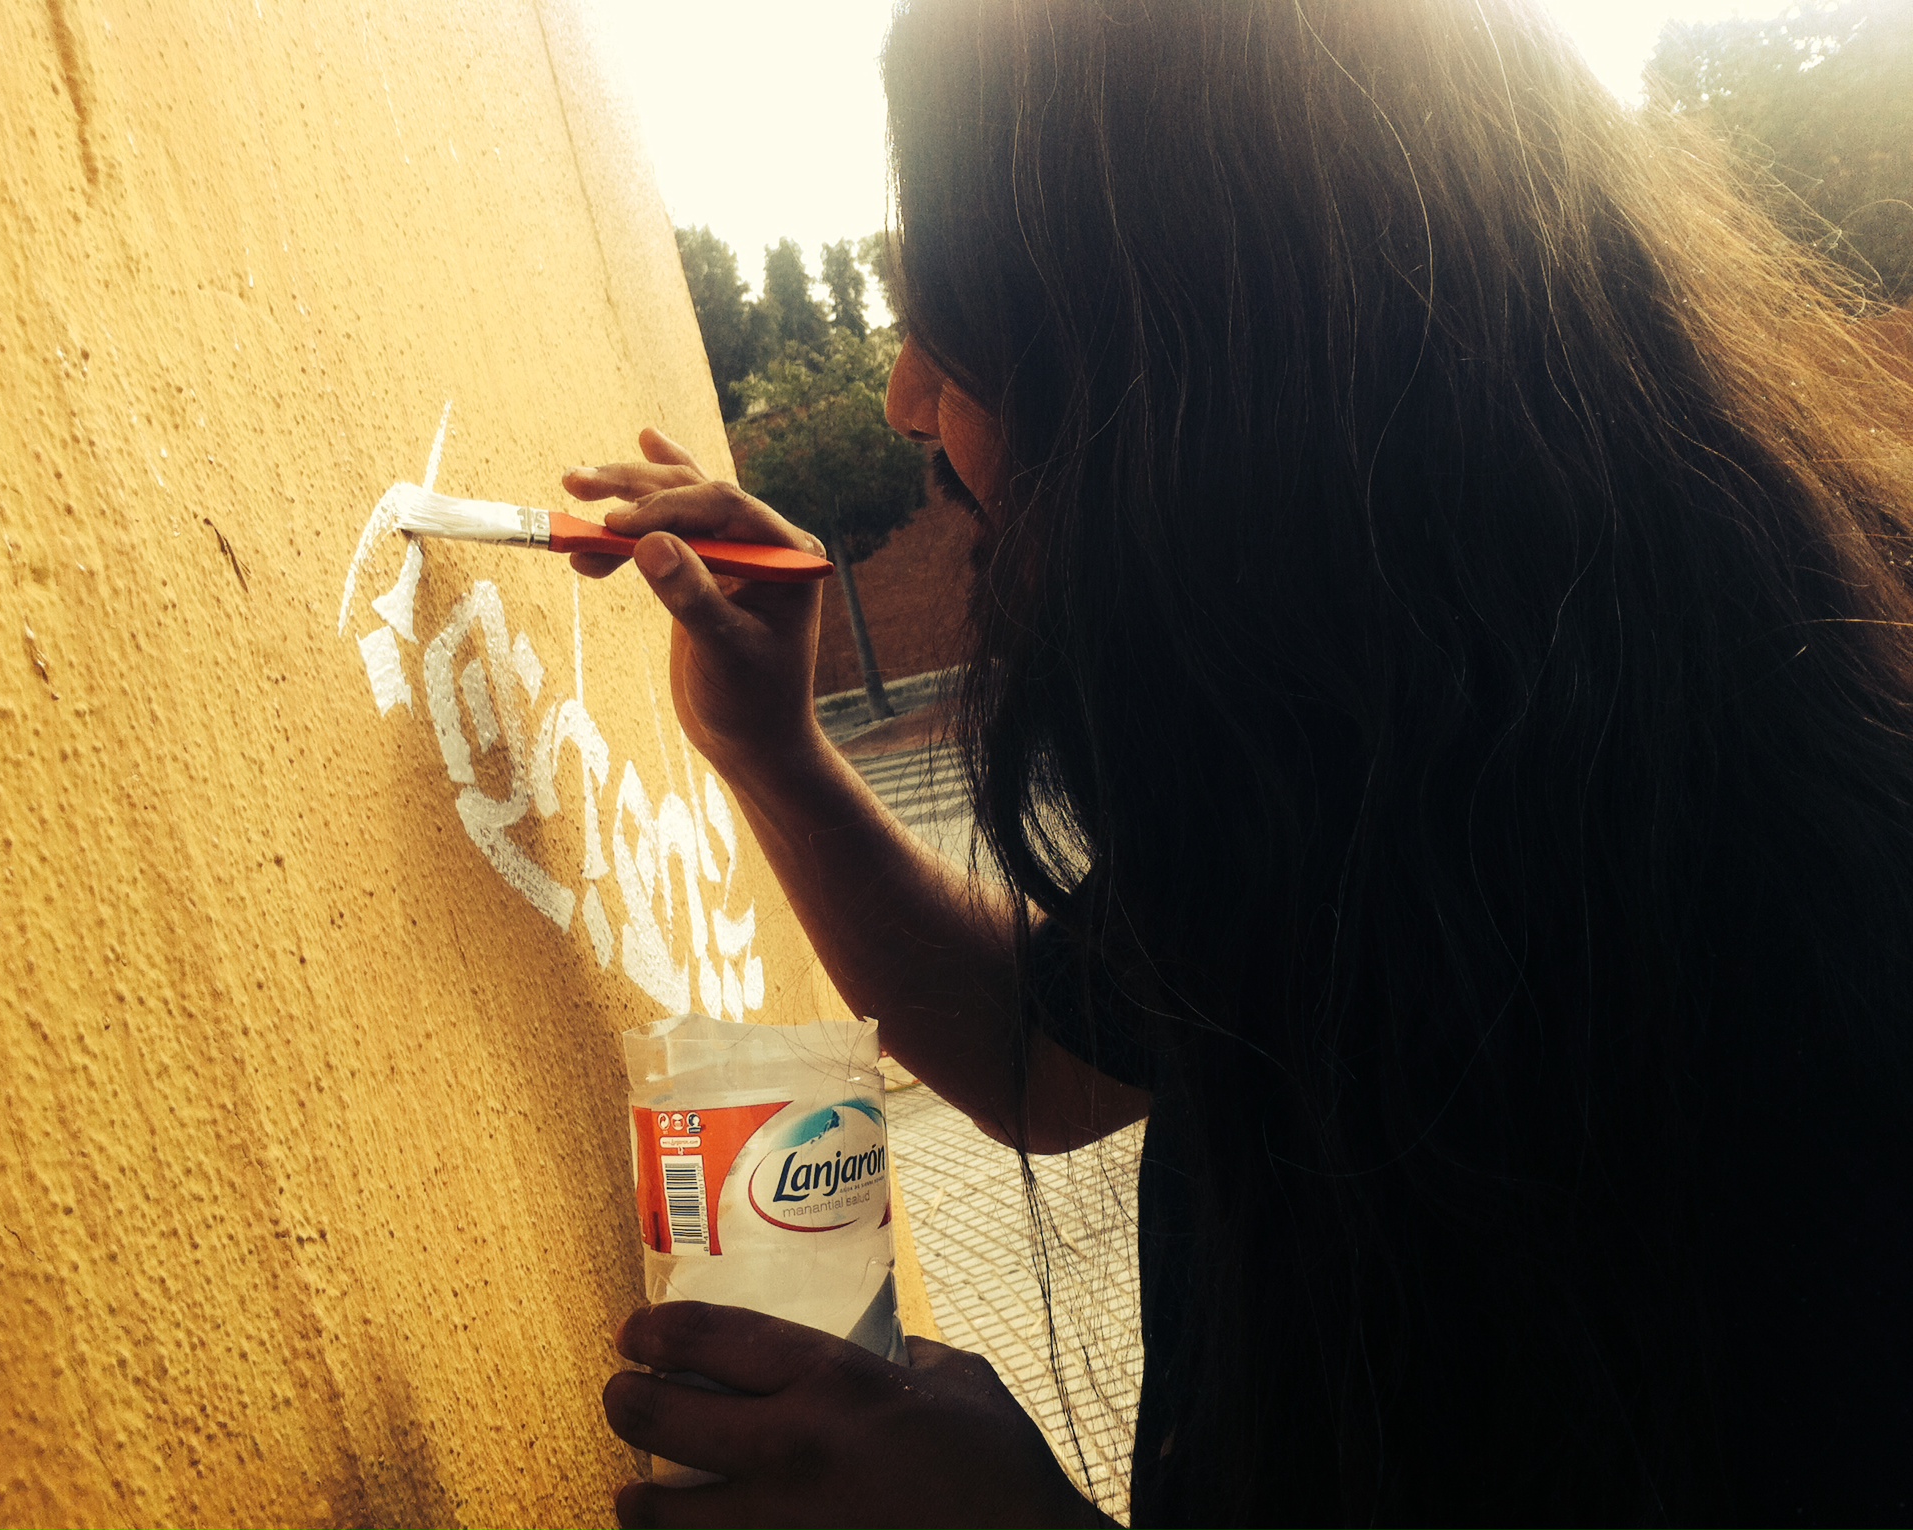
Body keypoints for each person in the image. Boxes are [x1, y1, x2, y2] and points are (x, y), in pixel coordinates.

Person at [570, 0, 1913, 1523]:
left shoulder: (1793, 953)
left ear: (1209, 354)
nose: (905, 397)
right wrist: (774, 750)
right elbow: (1057, 1055)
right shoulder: (1370, 754)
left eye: (958, 312)